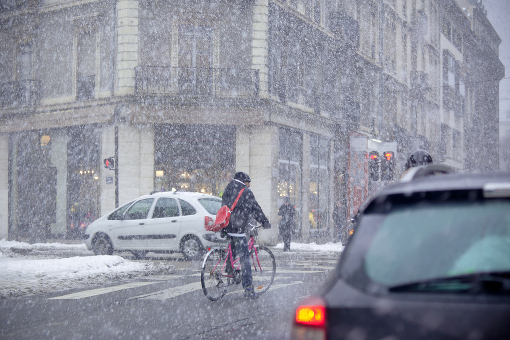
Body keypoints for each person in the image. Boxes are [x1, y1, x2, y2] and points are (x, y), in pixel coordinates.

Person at [221, 171, 271, 299]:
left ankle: (229, 270)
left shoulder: (229, 187)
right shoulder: (245, 191)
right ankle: (248, 289)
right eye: (249, 183)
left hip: (227, 226)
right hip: (238, 229)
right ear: (245, 181)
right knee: (245, 260)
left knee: (232, 249)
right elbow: (255, 208)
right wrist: (264, 221)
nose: (249, 186)